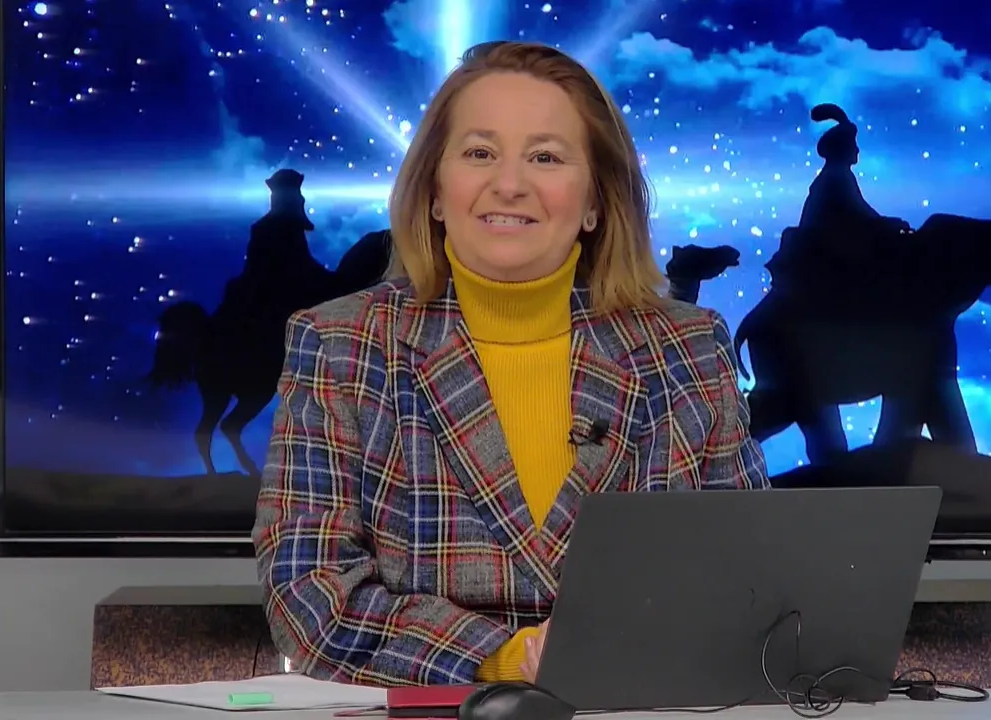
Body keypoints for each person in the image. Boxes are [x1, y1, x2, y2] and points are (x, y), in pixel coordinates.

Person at [253, 40, 769, 689]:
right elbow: (310, 595)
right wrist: (508, 656)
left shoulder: (688, 348)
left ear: (595, 201)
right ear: (435, 191)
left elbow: (753, 583)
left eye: (545, 157)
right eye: (480, 153)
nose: (510, 183)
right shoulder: (340, 344)